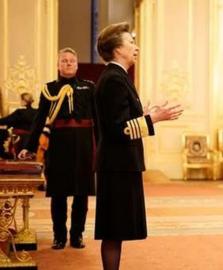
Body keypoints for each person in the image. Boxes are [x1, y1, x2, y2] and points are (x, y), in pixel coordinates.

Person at [94, 22, 183, 270]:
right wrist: (154, 118)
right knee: (113, 229)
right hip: (117, 166)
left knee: (117, 228)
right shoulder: (113, 79)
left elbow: (121, 120)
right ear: (116, 48)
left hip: (121, 164)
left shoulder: (118, 77)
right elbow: (117, 129)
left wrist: (146, 113)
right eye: (130, 42)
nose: (136, 46)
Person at [18, 48, 96, 249]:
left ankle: (77, 235)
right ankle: (59, 236)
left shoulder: (89, 87)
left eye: (72, 61)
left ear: (77, 65)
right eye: (64, 61)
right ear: (58, 65)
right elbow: (38, 120)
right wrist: (29, 147)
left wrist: (103, 147)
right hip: (58, 146)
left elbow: (99, 119)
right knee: (59, 193)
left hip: (83, 146)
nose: (68, 64)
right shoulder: (49, 89)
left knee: (81, 194)